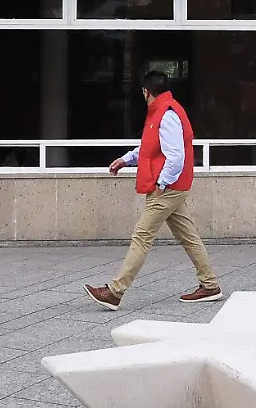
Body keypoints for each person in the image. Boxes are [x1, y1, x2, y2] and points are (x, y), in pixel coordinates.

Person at [84, 71, 222, 311]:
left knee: (142, 236)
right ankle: (210, 285)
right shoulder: (164, 111)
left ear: (146, 91)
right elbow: (150, 147)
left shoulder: (166, 115)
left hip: (168, 188)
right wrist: (126, 160)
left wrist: (161, 184)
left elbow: (176, 156)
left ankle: (115, 292)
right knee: (188, 236)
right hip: (174, 186)